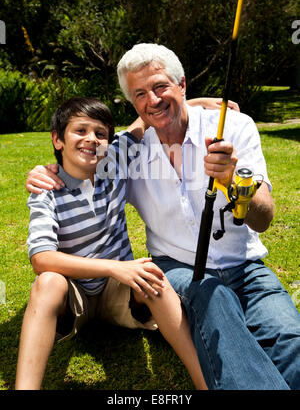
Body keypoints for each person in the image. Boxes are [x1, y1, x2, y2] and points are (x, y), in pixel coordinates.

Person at [25, 44, 300, 390]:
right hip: (179, 269)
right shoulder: (127, 154)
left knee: (291, 340)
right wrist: (48, 171)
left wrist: (232, 179)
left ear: (182, 84)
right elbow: (87, 157)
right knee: (216, 303)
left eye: (160, 87)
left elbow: (264, 218)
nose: (152, 99)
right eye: (140, 94)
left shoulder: (234, 127)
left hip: (247, 268)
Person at [16, 96, 208, 390]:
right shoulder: (47, 191)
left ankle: (205, 382)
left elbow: (148, 116)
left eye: (100, 133)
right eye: (80, 131)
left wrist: (194, 100)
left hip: (119, 295)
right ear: (57, 139)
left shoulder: (114, 162)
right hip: (74, 294)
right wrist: (113, 268)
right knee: (47, 283)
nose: (91, 139)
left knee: (152, 274)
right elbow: (41, 259)